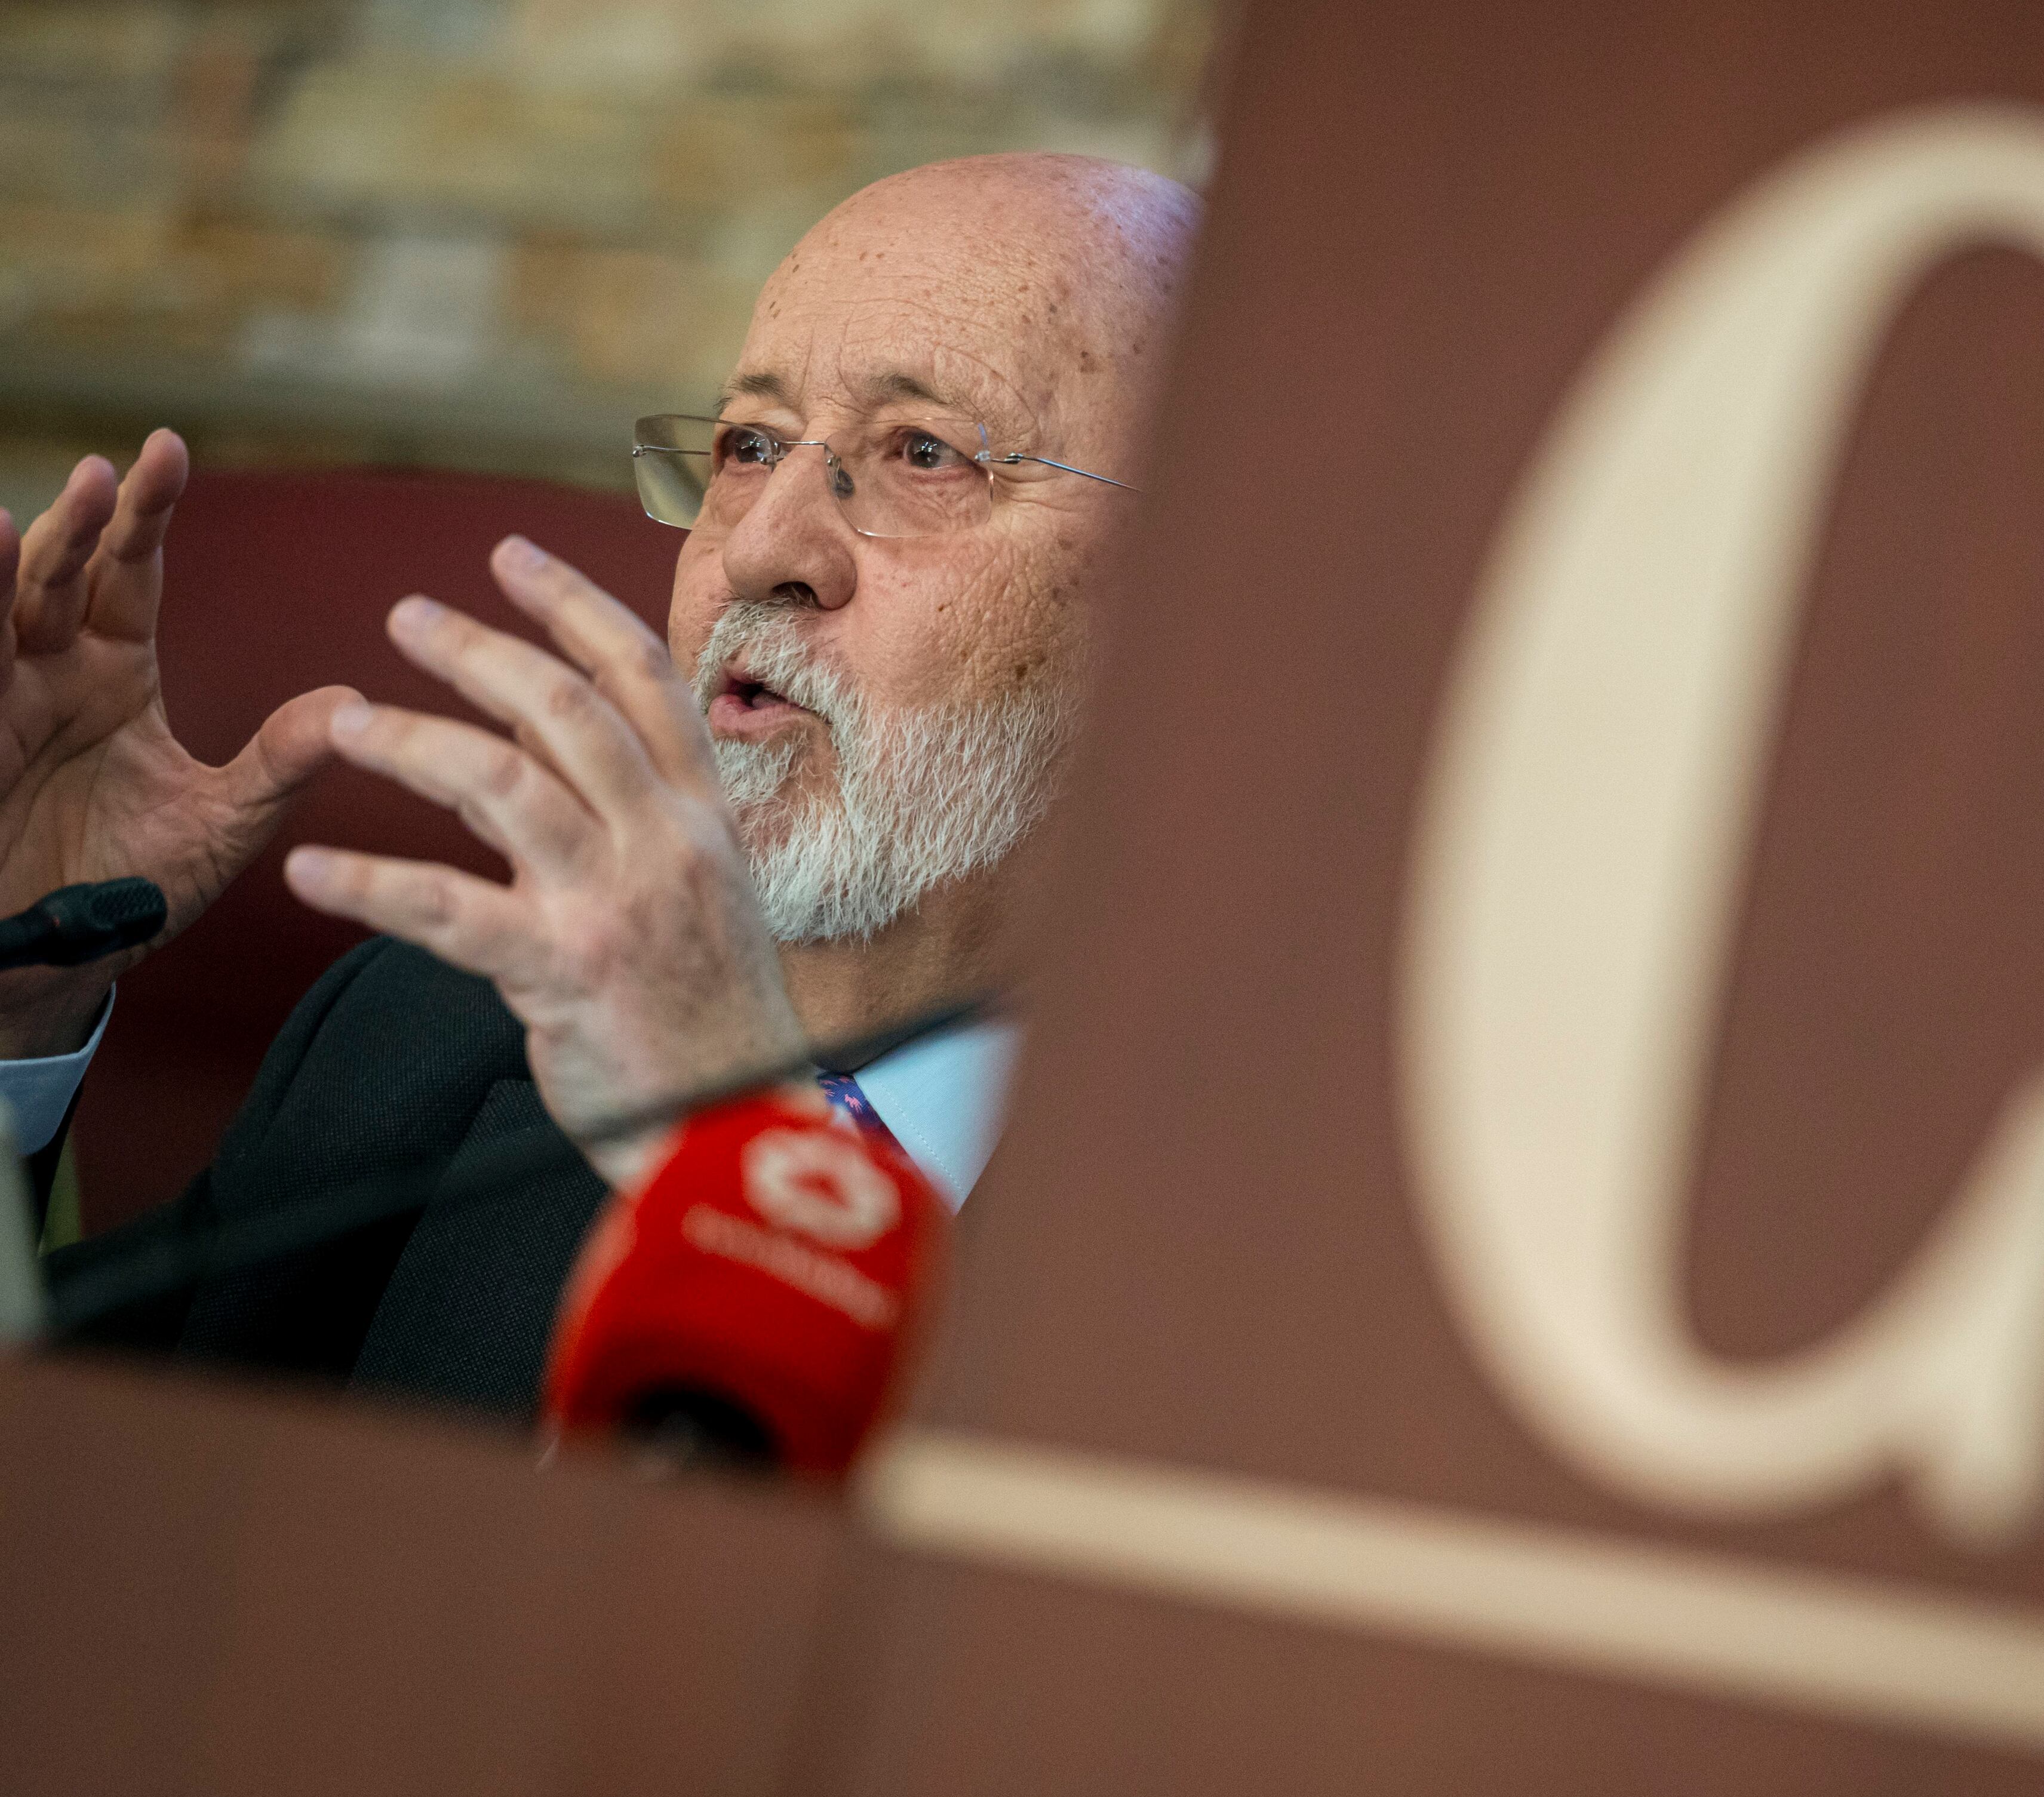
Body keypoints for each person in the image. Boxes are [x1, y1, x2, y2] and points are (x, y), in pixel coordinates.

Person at [0, 153, 1199, 1416]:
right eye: (749, 443)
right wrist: (21, 999)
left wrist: (741, 1175)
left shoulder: (1292, 1229)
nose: (760, 549)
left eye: (923, 453)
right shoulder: (442, 1028)